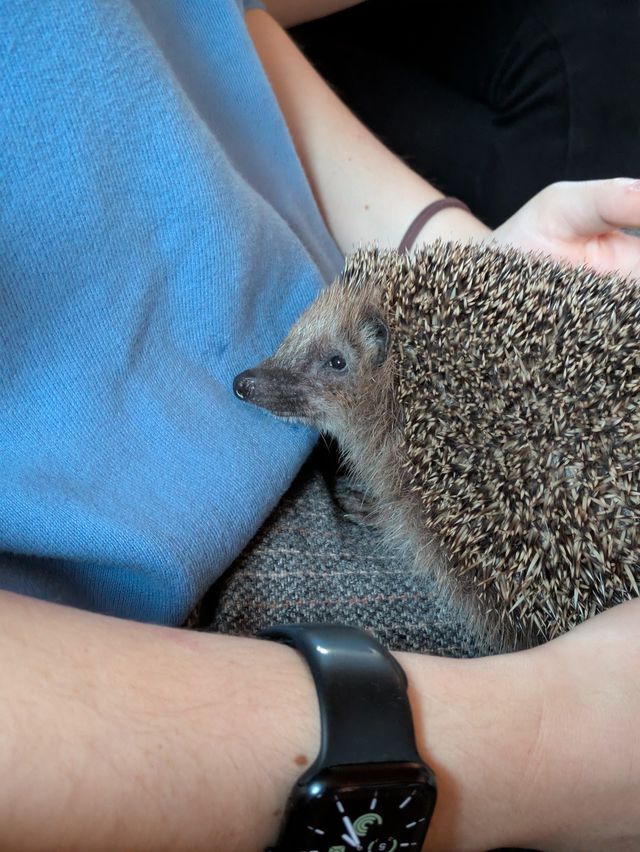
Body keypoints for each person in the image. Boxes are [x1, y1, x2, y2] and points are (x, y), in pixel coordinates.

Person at [0, 1, 638, 849]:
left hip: (330, 254)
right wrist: (542, 739)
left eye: (330, 368)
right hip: (158, 606)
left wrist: (442, 243)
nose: (270, 383)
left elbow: (199, 29)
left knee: (599, 43)